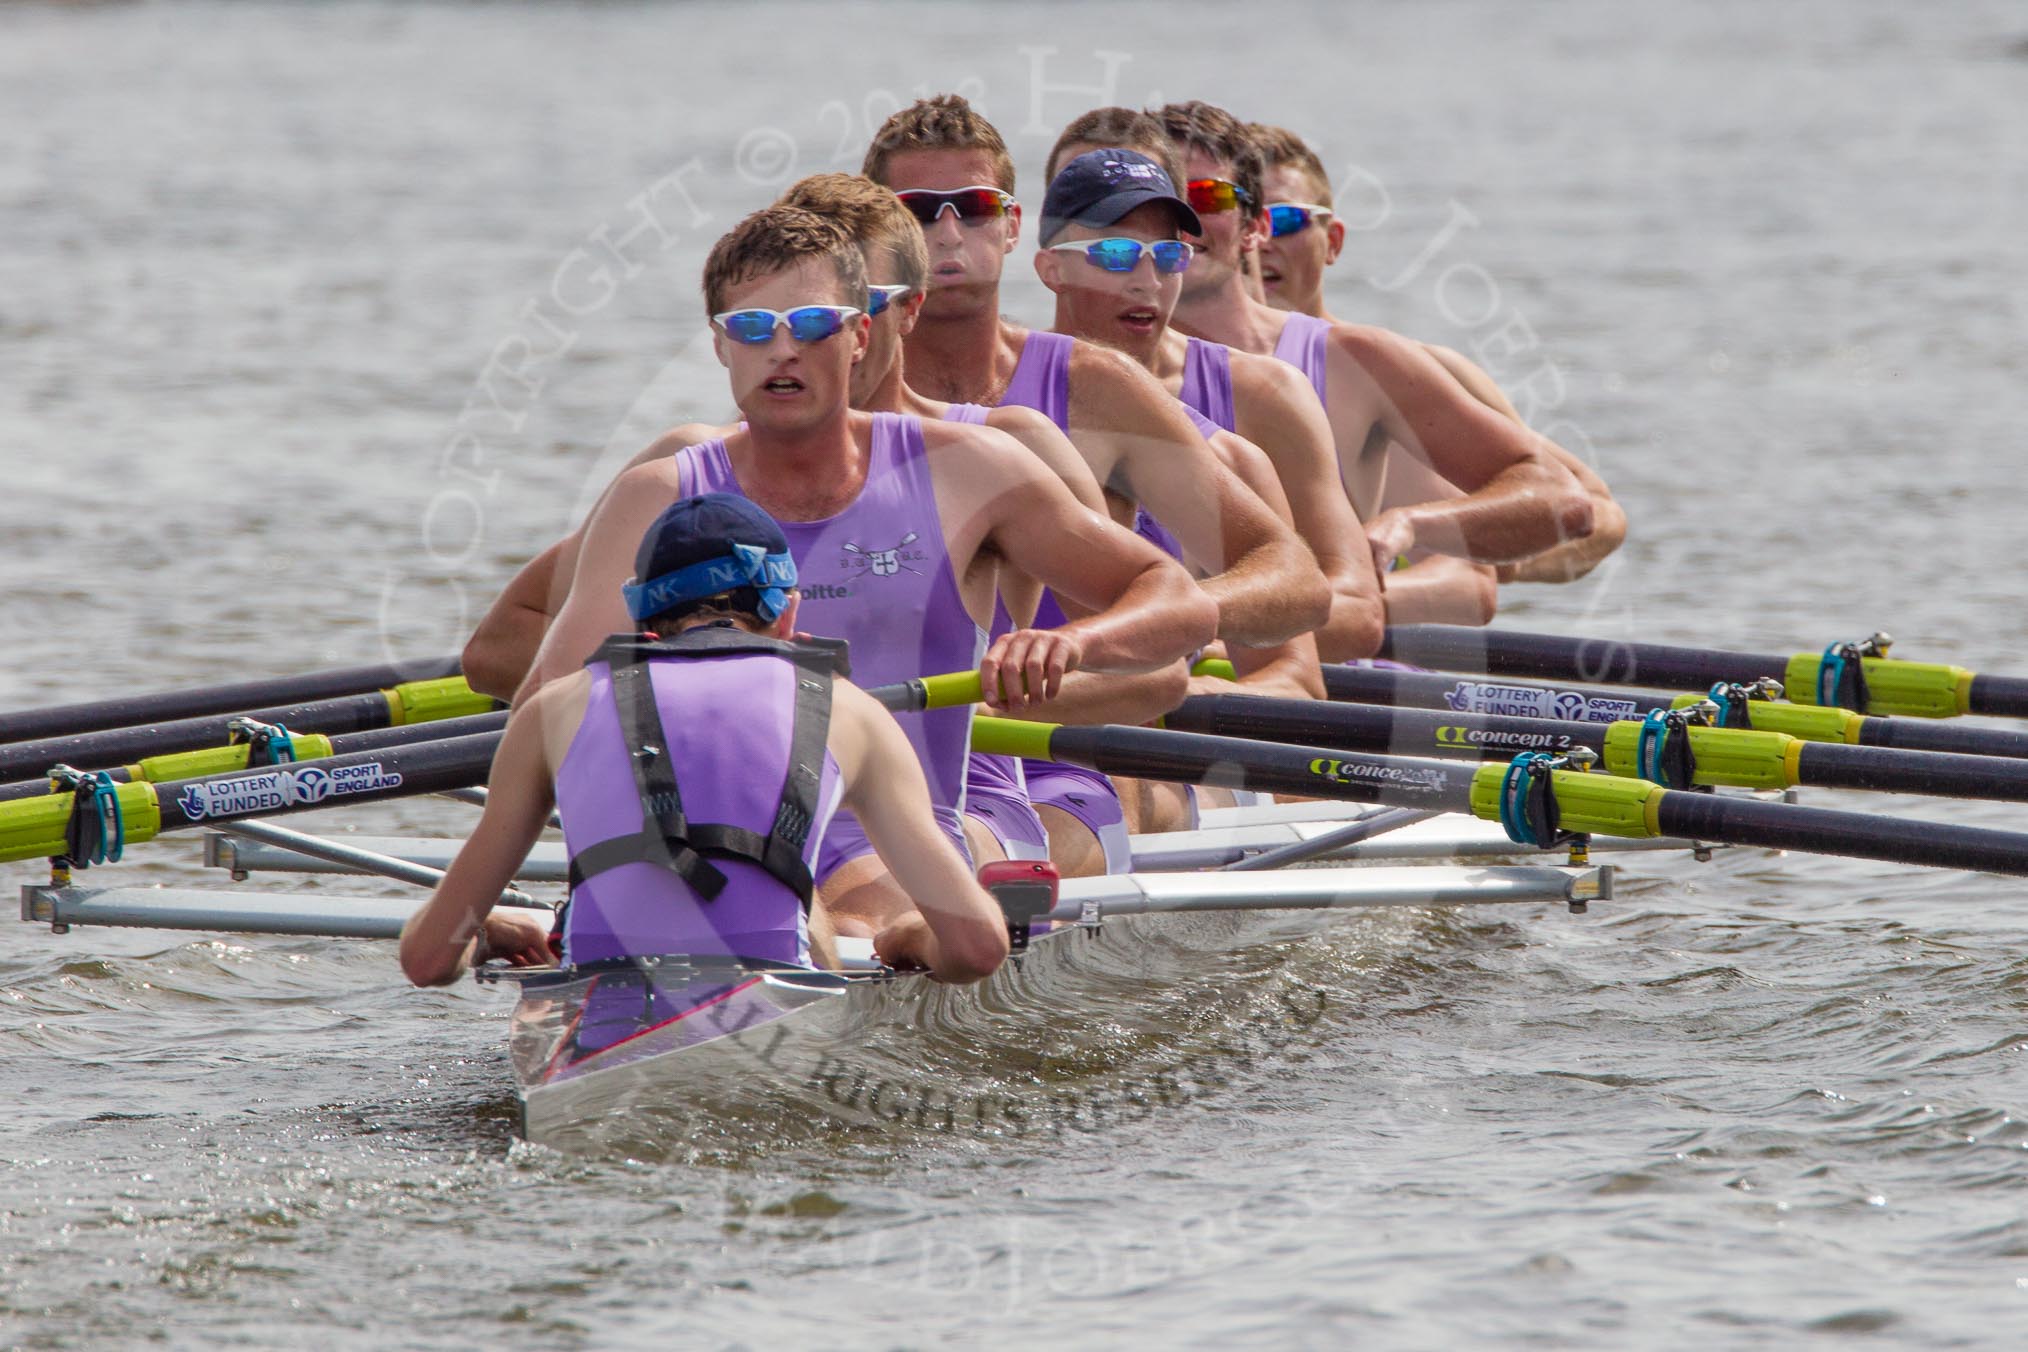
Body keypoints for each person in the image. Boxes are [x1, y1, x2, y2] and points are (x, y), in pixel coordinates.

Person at [518, 205, 1215, 943]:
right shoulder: (659, 494)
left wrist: (1076, 644)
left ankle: (784, 946)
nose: (782, 351)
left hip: (914, 832)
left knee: (850, 906)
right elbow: (547, 712)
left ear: (861, 334)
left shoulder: (967, 470)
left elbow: (1175, 599)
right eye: (754, 328)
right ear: (722, 345)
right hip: (712, 834)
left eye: (813, 324)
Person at [399, 493, 1011, 987]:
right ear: (788, 610)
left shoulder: (549, 709)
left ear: (641, 614)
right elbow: (979, 948)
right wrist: (907, 937)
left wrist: (484, 935)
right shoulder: (855, 713)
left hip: (599, 1000)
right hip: (775, 1003)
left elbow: (427, 962)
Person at [1153, 100, 1597, 592]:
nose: (1184, 218)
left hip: (1319, 655)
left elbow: (1567, 501)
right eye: (1161, 199)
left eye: (1207, 196)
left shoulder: (1359, 362)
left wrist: (1411, 526)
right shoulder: (1085, 367)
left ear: (1255, 226)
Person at [1249, 122, 1627, 610]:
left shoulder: (1411, 374)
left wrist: (1489, 552)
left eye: (1283, 222)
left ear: (1334, 241)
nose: (1261, 242)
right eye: (1242, 221)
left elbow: (1598, 514)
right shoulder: (1175, 368)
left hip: (1367, 653)